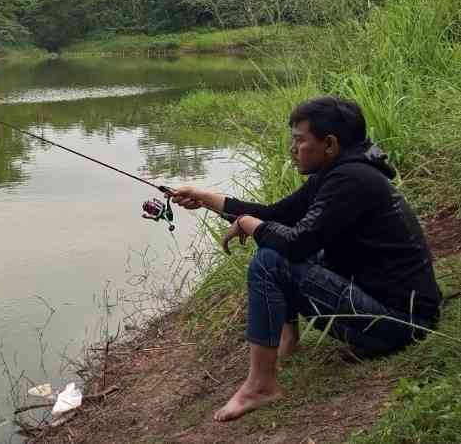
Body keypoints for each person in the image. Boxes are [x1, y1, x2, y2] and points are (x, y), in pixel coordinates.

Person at [171, 96, 441, 423]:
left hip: (400, 325)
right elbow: (276, 216)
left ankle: (260, 386)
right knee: (274, 241)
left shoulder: (351, 180)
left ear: (329, 144)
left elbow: (295, 244)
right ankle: (286, 343)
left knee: (271, 259)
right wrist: (207, 198)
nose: (292, 149)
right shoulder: (339, 172)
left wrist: (251, 227)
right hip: (392, 314)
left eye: (299, 140)